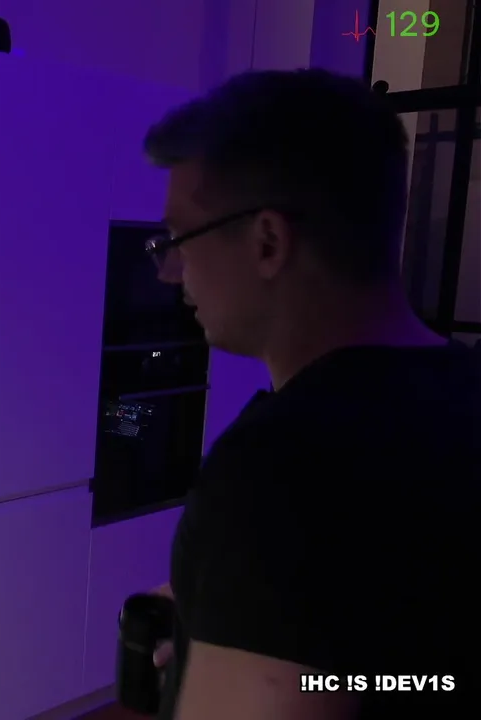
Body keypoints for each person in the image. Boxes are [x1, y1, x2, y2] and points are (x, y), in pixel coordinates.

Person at [138, 68, 479, 720]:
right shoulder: (462, 394)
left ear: (267, 241)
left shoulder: (278, 470)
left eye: (178, 240)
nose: (170, 271)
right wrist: (232, 637)